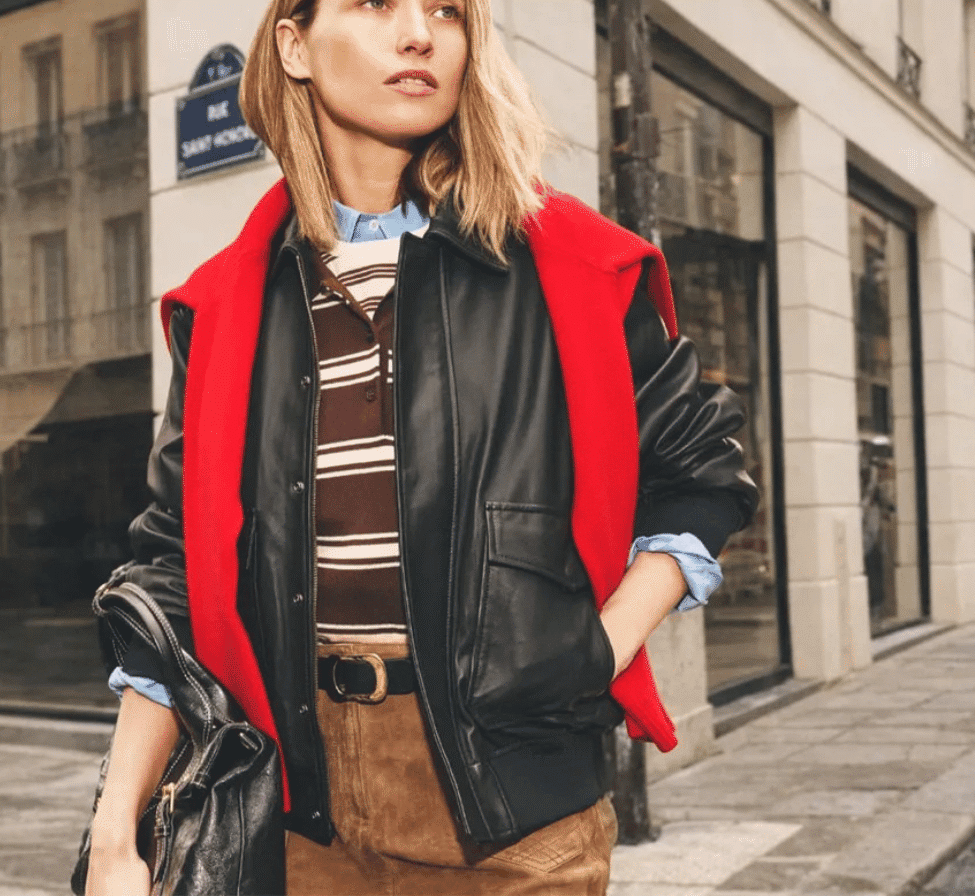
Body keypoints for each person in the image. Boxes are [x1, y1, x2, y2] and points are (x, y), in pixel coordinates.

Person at [83, 0, 757, 893]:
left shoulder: (571, 269)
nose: (419, 33)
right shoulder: (223, 311)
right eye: (376, 4)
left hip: (513, 811)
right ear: (293, 45)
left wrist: (599, 648)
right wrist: (114, 824)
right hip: (291, 809)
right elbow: (171, 576)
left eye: (447, 9)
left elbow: (702, 473)